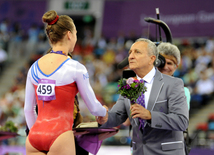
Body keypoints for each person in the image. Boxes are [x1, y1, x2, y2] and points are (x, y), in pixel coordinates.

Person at [24, 10, 108, 155]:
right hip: (60, 134)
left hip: (35, 136)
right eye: (75, 34)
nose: (75, 38)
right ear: (69, 34)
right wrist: (104, 112)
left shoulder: (34, 67)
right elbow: (94, 108)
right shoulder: (75, 68)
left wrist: (37, 132)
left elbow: (28, 110)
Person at [97, 38, 189, 155]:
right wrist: (104, 118)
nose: (130, 56)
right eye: (130, 52)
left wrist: (150, 116)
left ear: (152, 59)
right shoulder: (128, 84)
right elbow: (117, 115)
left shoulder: (173, 84)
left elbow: (181, 121)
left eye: (137, 52)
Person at [157, 42, 190, 110]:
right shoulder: (145, 86)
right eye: (162, 63)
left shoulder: (183, 92)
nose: (165, 67)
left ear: (176, 67)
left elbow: (178, 119)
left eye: (169, 63)